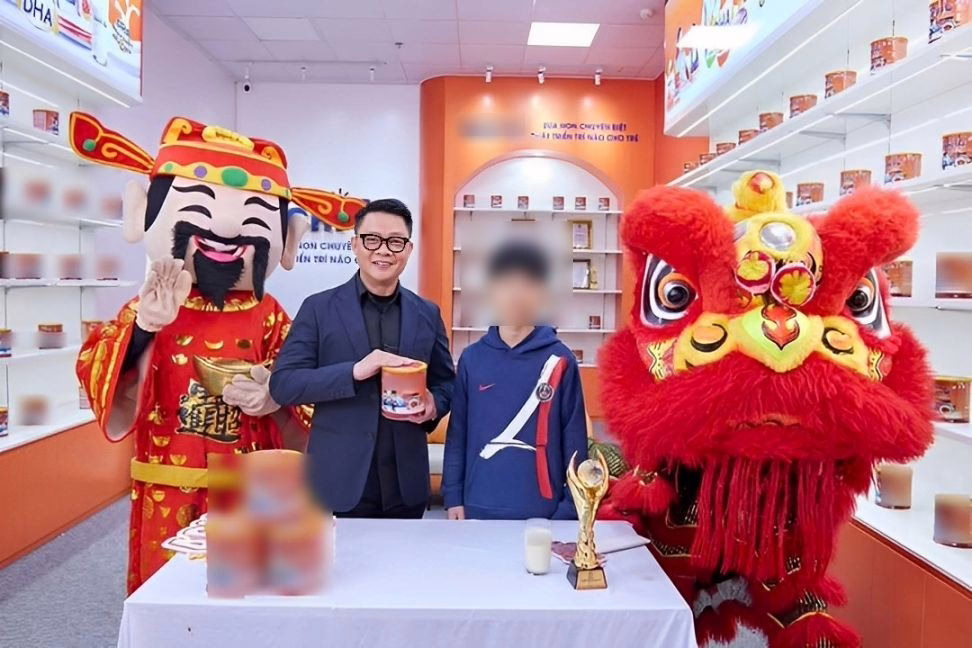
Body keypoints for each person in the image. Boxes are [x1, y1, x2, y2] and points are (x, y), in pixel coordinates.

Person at [70, 112, 357, 592]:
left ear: (286, 241)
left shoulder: (269, 313)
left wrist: (275, 393)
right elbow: (96, 367)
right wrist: (143, 329)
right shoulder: (153, 302)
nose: (224, 230)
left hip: (251, 482)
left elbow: (305, 377)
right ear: (142, 215)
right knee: (170, 592)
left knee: (246, 593)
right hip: (168, 480)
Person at [269, 199, 454, 518]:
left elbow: (446, 384)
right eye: (372, 239)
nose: (383, 250)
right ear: (355, 245)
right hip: (337, 483)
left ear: (408, 250)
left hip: (405, 485)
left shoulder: (427, 313)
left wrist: (433, 404)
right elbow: (284, 384)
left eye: (395, 242)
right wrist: (354, 372)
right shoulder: (319, 309)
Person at [443, 239, 588, 520]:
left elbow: (575, 442)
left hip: (543, 513)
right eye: (506, 283)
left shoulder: (561, 360)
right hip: (477, 507)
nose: (516, 294)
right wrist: (453, 497)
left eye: (528, 284)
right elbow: (457, 436)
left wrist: (570, 509)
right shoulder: (472, 359)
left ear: (543, 294)